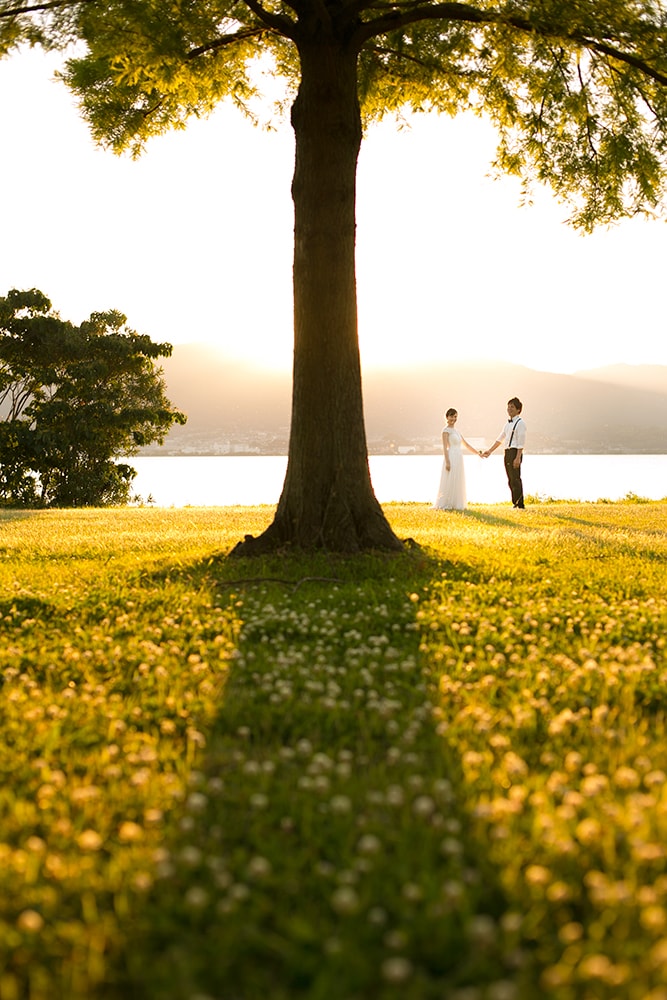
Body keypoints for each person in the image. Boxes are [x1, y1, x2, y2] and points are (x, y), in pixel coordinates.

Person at [482, 397, 527, 508]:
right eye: (508, 407)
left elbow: (521, 443)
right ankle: (515, 503)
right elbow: (500, 439)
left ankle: (520, 504)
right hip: (507, 452)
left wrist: (517, 458)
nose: (509, 409)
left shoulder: (520, 423)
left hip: (515, 452)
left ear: (518, 410)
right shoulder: (507, 424)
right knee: (510, 479)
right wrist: (490, 451)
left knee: (516, 479)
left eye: (512, 407)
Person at [433, 408, 480, 510]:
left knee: (458, 478)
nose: (453, 419)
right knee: (450, 478)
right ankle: (447, 502)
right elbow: (445, 447)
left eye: (455, 417)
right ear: (447, 417)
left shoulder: (457, 431)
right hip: (451, 456)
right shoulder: (445, 431)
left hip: (459, 457)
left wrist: (477, 453)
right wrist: (447, 461)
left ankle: (456, 503)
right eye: (451, 416)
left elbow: (466, 445)